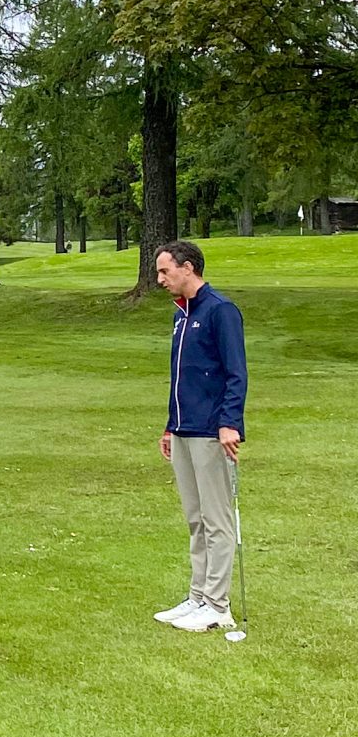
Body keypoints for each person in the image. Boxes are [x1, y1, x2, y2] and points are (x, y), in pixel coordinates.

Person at [152, 240, 247, 634]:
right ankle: (197, 596)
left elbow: (235, 373)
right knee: (195, 519)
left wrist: (230, 422)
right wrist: (171, 424)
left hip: (211, 431)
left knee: (216, 519)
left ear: (187, 268)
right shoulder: (181, 315)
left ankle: (217, 605)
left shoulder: (220, 311)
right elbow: (183, 379)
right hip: (185, 429)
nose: (160, 279)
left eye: (164, 271)